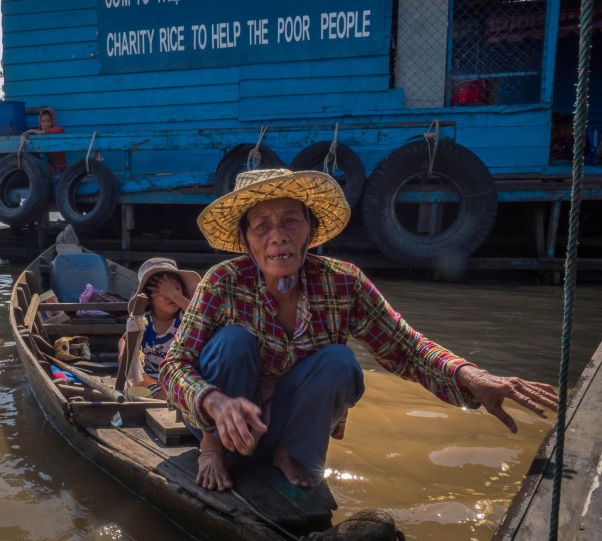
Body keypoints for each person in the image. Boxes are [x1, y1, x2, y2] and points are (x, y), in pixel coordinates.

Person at [159, 168, 558, 492]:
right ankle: (213, 449)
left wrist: (471, 376)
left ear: (310, 231)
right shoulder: (223, 281)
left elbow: (406, 348)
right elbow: (173, 365)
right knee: (232, 342)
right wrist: (214, 402)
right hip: (218, 420)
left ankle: (291, 452)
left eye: (290, 221)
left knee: (339, 361)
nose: (277, 235)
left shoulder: (344, 283)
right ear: (247, 242)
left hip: (284, 422)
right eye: (261, 225)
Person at [118, 258, 200, 399]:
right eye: (163, 292)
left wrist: (174, 295)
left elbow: (203, 317)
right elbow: (125, 339)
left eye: (176, 289)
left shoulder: (186, 317)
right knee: (138, 386)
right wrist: (123, 353)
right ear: (149, 298)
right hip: (150, 379)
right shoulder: (143, 322)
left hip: (181, 377)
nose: (170, 296)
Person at [25, 107, 67, 179]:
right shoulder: (38, 135)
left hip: (59, 169)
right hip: (47, 168)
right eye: (43, 121)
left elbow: (60, 129)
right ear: (40, 122)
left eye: (48, 121)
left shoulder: (56, 131)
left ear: (52, 122)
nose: (45, 124)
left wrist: (42, 131)